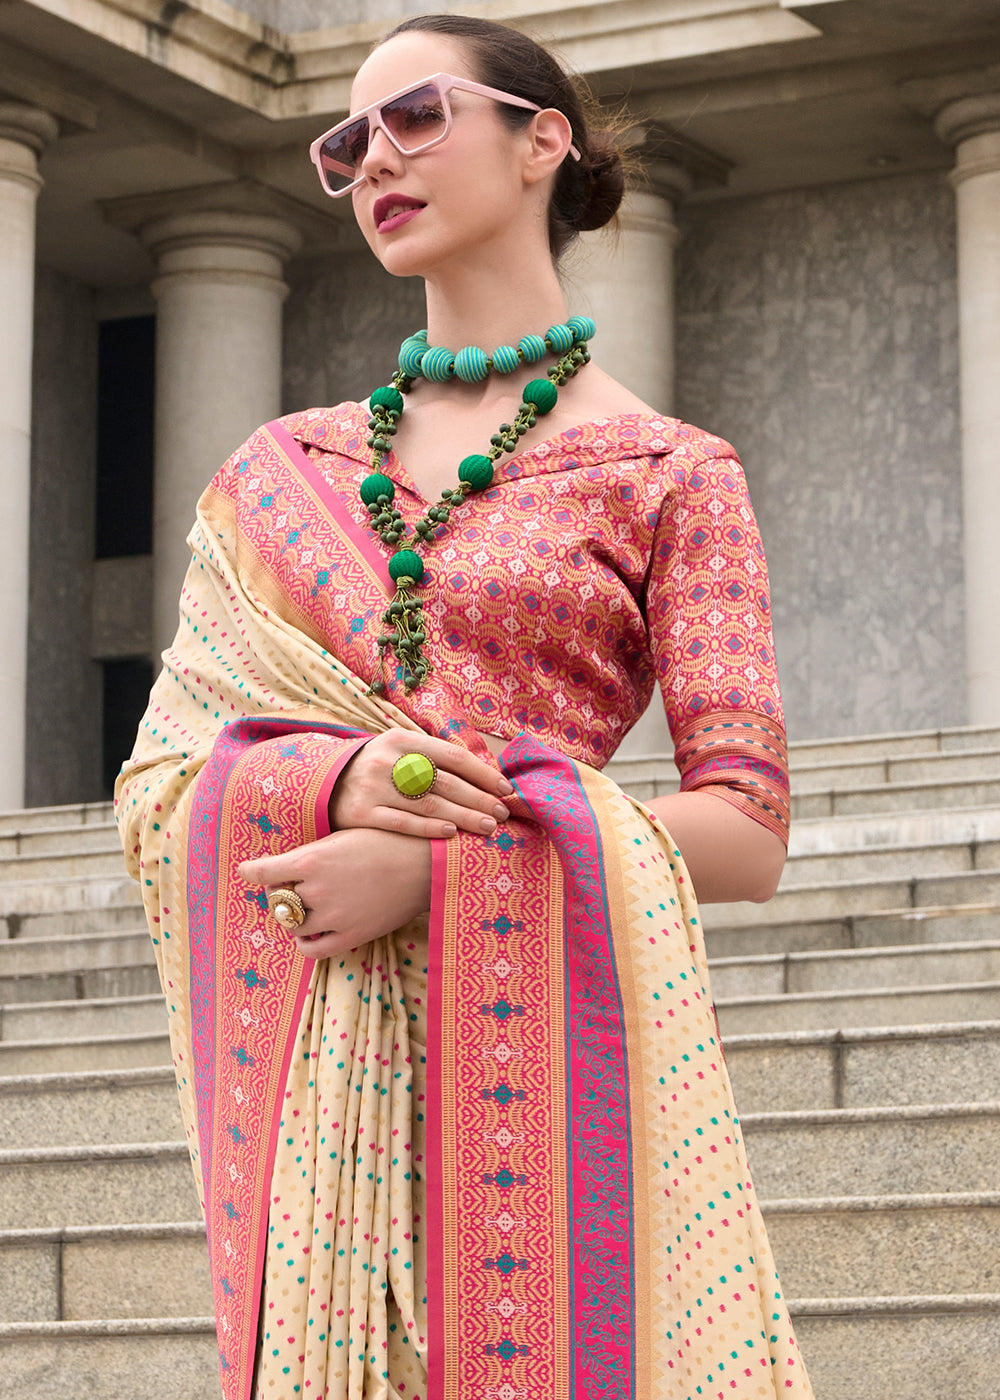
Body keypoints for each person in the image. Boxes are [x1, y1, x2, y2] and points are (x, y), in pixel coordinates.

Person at [116, 12, 813, 1400]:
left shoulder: (671, 473)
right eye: (344, 141)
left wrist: (444, 863)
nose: (375, 155)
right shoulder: (276, 472)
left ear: (542, 140)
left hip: (549, 1076)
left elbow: (746, 828)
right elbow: (161, 785)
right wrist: (324, 790)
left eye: (418, 116)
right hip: (321, 1074)